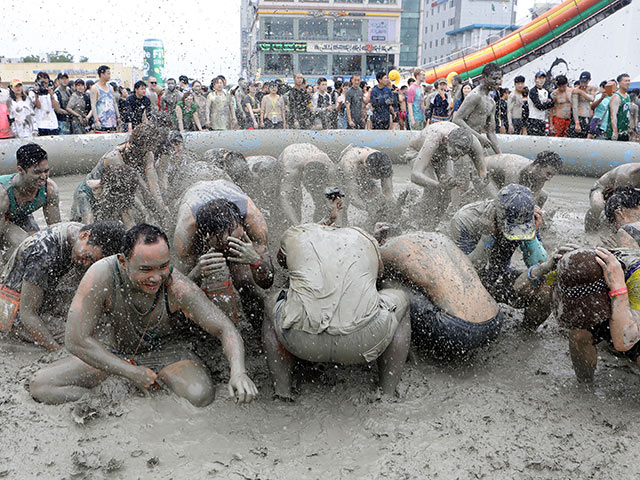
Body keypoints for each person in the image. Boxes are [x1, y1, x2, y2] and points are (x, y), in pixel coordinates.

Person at [29, 224, 258, 406]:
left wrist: (239, 372)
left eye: (163, 266)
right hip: (115, 354)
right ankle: (108, 399)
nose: (156, 278)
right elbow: (75, 340)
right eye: (146, 269)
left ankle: (139, 391)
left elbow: (224, 328)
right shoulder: (101, 275)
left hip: (168, 354)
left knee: (199, 396)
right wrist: (130, 373)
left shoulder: (177, 287)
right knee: (41, 385)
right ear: (123, 261)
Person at [263, 219, 411, 399]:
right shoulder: (365, 238)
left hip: (300, 338)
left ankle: (282, 391)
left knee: (272, 299)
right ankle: (387, 393)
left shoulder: (296, 233)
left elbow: (283, 263)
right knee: (402, 298)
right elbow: (379, 275)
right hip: (365, 340)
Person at [449, 184, 564, 329]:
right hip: (469, 284)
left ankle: (526, 332)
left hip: (500, 277)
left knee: (547, 288)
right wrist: (487, 238)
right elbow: (464, 272)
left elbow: (538, 264)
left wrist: (533, 235)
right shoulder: (465, 220)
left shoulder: (528, 217)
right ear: (499, 213)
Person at [376, 228, 502, 357]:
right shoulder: (439, 238)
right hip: (495, 322)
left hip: (457, 330)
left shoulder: (390, 248)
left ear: (384, 241)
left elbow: (372, 277)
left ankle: (403, 350)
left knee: (388, 284)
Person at [0, 221, 124, 350]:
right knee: (80, 336)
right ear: (84, 236)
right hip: (13, 313)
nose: (86, 264)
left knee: (98, 311)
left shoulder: (77, 231)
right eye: (88, 257)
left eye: (92, 262)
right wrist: (55, 349)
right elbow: (27, 314)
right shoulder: (43, 255)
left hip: (43, 296)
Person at [172, 181, 274, 326]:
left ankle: (258, 325)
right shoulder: (186, 234)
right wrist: (197, 272)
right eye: (220, 242)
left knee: (244, 281)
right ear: (204, 236)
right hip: (193, 191)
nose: (227, 243)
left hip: (225, 185)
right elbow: (179, 292)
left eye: (233, 238)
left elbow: (267, 282)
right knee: (195, 286)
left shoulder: (254, 222)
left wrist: (255, 260)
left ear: (241, 224)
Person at [553, 248, 640, 383]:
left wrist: (619, 289)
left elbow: (625, 341)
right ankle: (585, 386)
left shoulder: (636, 276)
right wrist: (542, 267)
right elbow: (522, 288)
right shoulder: (576, 270)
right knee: (579, 334)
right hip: (615, 306)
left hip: (633, 320)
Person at [86, 122, 170, 229]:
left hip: (117, 187)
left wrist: (161, 208)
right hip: (93, 190)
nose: (154, 149)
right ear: (144, 145)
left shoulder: (147, 153)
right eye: (152, 145)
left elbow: (152, 184)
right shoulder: (115, 157)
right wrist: (146, 213)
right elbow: (130, 189)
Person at [407, 122, 487, 224]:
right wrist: (438, 185)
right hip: (417, 152)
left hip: (441, 156)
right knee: (433, 190)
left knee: (447, 192)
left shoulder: (473, 142)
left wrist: (482, 181)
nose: (457, 157)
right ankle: (421, 223)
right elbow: (415, 175)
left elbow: (483, 172)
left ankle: (436, 222)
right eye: (454, 154)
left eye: (461, 155)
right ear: (446, 141)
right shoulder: (434, 139)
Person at [0, 144, 60, 252]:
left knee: (39, 244)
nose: (43, 177)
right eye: (37, 172)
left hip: (20, 215)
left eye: (46, 171)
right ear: (20, 170)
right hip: (2, 219)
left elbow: (56, 230)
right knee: (25, 244)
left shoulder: (50, 190)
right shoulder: (3, 194)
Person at [336, 145, 394, 228]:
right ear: (366, 167)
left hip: (363, 171)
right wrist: (367, 208)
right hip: (344, 175)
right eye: (376, 177)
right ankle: (342, 228)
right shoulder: (349, 164)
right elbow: (352, 196)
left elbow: (388, 193)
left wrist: (393, 209)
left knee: (379, 200)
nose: (378, 179)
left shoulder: (384, 163)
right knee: (343, 205)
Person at [278, 143, 335, 226]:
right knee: (295, 199)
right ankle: (292, 224)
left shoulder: (330, 167)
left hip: (308, 157)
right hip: (289, 158)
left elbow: (335, 194)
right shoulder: (292, 169)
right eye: (310, 187)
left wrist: (332, 209)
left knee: (321, 201)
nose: (311, 190)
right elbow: (284, 198)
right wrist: (297, 225)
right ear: (303, 175)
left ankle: (319, 227)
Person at [453, 63, 502, 154]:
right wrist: (479, 137)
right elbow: (456, 119)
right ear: (484, 77)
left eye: (499, 78)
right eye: (494, 78)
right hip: (463, 143)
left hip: (477, 143)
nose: (497, 82)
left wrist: (501, 155)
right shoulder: (475, 96)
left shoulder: (492, 102)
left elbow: (491, 132)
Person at [485, 150, 563, 207]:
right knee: (498, 203)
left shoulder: (539, 175)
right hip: (484, 172)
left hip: (500, 178)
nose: (549, 178)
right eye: (548, 174)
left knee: (543, 196)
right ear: (537, 166)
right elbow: (508, 201)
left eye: (552, 175)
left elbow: (533, 200)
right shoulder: (514, 171)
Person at [70, 164, 138, 228]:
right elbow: (88, 229)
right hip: (79, 223)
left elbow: (129, 222)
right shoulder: (83, 194)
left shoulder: (118, 189)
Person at [584, 163, 640, 232]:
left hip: (627, 191)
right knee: (598, 206)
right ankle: (590, 230)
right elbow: (617, 201)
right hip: (602, 189)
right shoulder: (626, 176)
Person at [89, 66, 120, 133]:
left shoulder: (110, 87)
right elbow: (93, 105)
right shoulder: (95, 88)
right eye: (108, 73)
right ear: (102, 74)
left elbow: (114, 103)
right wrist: (96, 120)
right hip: (101, 121)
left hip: (112, 121)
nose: (109, 76)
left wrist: (118, 117)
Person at [606, 73, 632, 141]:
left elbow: (627, 113)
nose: (628, 83)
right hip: (615, 133)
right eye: (625, 81)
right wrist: (615, 132)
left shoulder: (627, 96)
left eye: (629, 81)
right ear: (619, 83)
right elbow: (613, 116)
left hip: (625, 132)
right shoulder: (616, 97)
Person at [527, 71, 554, 136]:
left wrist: (544, 103)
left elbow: (553, 103)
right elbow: (539, 107)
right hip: (533, 119)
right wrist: (547, 103)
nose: (541, 80)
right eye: (539, 78)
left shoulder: (546, 91)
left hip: (542, 120)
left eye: (543, 78)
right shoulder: (533, 91)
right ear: (535, 79)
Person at [569, 71, 594, 138]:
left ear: (589, 80)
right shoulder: (575, 90)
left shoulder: (591, 89)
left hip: (587, 117)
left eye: (585, 82)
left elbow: (592, 99)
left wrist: (581, 92)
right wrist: (577, 122)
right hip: (578, 117)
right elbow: (575, 107)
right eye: (582, 81)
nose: (583, 83)